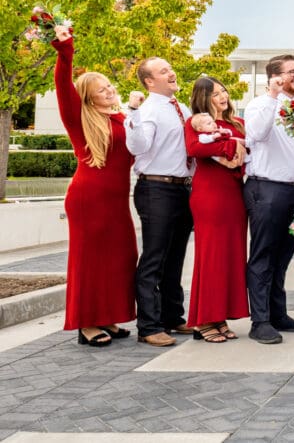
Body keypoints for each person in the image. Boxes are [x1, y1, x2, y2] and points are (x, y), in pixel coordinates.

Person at [50, 25, 137, 347]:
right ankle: (86, 323)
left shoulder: (122, 118)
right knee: (88, 260)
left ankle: (108, 317)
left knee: (121, 257)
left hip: (116, 201)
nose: (110, 91)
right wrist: (65, 49)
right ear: (88, 96)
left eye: (110, 85)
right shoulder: (79, 117)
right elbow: (62, 84)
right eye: (102, 89)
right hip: (89, 199)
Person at [243, 54, 294, 344]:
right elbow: (257, 134)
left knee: (283, 256)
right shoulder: (259, 105)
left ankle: (278, 313)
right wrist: (273, 95)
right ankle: (259, 320)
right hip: (267, 189)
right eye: (291, 72)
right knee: (264, 255)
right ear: (274, 77)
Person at [124, 56, 195, 347]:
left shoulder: (182, 108)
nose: (171, 72)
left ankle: (172, 315)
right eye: (163, 70)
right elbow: (137, 146)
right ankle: (149, 325)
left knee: (176, 256)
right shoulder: (149, 109)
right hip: (157, 188)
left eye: (170, 67)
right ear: (149, 81)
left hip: (182, 189)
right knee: (154, 257)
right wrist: (132, 112)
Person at [185, 77, 249, 343]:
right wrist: (231, 146)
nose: (222, 96)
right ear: (203, 98)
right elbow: (194, 147)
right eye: (215, 94)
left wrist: (233, 151)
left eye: (224, 91)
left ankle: (220, 315)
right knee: (210, 255)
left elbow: (248, 153)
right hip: (209, 195)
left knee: (231, 256)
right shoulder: (194, 123)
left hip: (235, 194)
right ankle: (203, 319)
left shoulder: (238, 123)